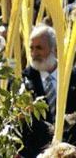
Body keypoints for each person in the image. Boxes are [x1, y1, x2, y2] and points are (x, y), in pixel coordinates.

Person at [20, 25, 76, 158]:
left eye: (39, 48)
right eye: (31, 48)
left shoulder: (73, 77)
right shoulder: (24, 80)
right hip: (35, 151)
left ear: (54, 49)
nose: (34, 53)